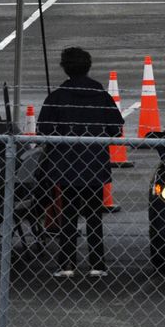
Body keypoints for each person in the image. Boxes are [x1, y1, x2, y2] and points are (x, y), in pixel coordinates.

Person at [37, 46, 125, 278]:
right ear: (88, 66)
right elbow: (116, 129)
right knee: (95, 215)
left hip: (66, 165)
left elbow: (44, 130)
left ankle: (67, 263)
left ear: (65, 68)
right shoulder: (101, 95)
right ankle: (98, 264)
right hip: (94, 164)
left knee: (68, 216)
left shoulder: (57, 97)